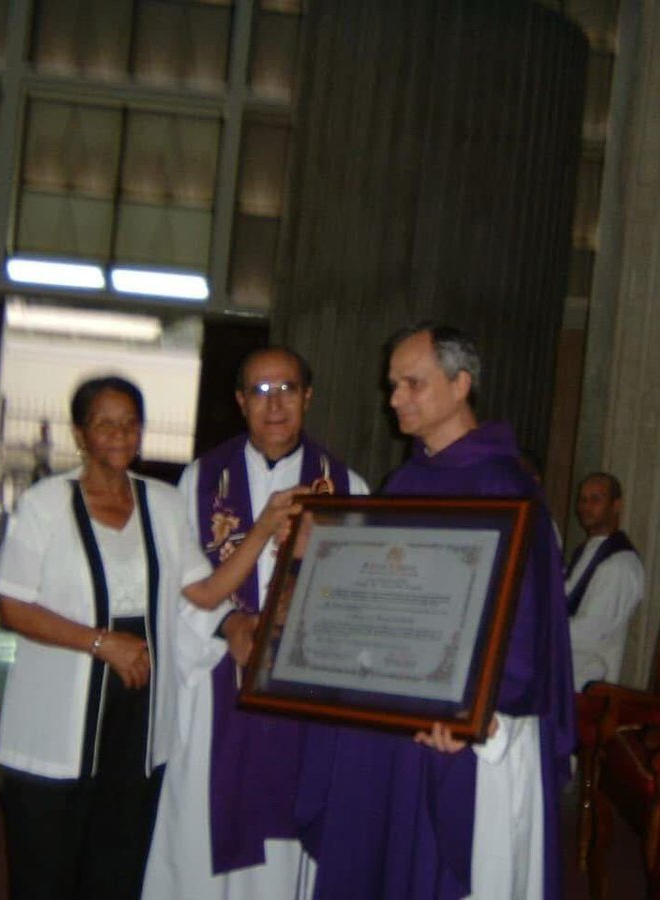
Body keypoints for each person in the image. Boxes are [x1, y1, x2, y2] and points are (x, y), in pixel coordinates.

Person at [0, 375, 302, 900]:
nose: (118, 434)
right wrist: (101, 642)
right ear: (80, 434)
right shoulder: (46, 504)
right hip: (55, 730)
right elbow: (11, 607)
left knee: (116, 872)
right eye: (104, 424)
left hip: (137, 728)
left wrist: (265, 528)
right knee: (44, 874)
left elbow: (203, 591)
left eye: (130, 423)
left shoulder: (161, 502)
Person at [294, 324, 576, 899]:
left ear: (460, 384)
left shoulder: (508, 489)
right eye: (393, 384)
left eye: (411, 383)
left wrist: (482, 709)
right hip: (394, 712)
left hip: (458, 725)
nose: (394, 398)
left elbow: (526, 625)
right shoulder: (405, 481)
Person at [144, 347, 368, 899]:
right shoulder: (200, 481)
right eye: (261, 392)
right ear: (240, 401)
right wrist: (227, 628)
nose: (275, 406)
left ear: (308, 397)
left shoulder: (348, 487)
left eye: (288, 389)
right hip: (220, 689)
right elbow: (174, 586)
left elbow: (364, 603)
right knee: (205, 829)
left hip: (307, 696)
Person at [564, 472, 644, 691]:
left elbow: (589, 633)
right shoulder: (588, 550)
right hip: (571, 661)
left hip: (586, 680)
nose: (585, 506)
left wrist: (537, 629)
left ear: (616, 506)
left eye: (595, 499)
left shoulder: (620, 565)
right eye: (582, 499)